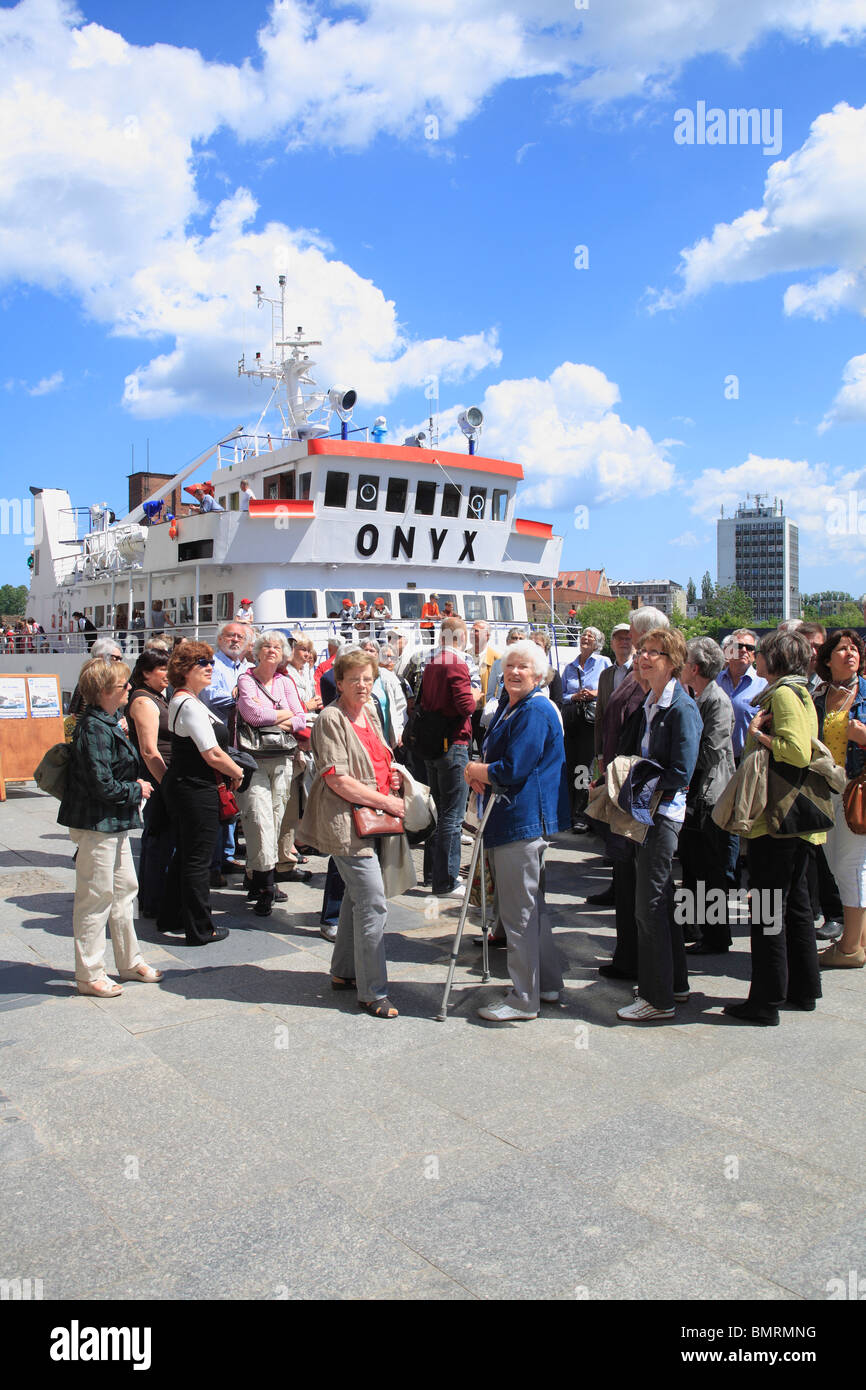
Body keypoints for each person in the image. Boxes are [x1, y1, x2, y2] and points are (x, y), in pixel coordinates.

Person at [300, 647, 410, 1017]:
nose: (362, 685)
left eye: (368, 678)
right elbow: (338, 779)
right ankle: (373, 992)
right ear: (340, 683)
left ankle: (344, 972)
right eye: (354, 679)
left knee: (355, 898)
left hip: (372, 816)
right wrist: (390, 804)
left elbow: (382, 757)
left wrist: (392, 776)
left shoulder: (371, 712)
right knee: (373, 901)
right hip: (345, 822)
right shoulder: (330, 718)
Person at [464, 641, 571, 1021]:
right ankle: (546, 985)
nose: (513, 672)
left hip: (519, 821)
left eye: (522, 666)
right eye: (509, 665)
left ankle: (524, 999)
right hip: (514, 818)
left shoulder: (535, 710)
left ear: (538, 674)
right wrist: (483, 773)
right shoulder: (516, 707)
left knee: (519, 913)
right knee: (531, 909)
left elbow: (512, 768)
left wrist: (477, 771)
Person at [723, 629, 824, 1025]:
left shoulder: (782, 693)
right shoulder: (799, 691)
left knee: (767, 911)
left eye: (761, 651)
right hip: (797, 818)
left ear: (775, 658)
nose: (755, 657)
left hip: (777, 820)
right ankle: (802, 989)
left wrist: (759, 735)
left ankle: (765, 1001)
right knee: (795, 906)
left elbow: (797, 752)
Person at [57, 658, 162, 997]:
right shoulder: (93, 728)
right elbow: (100, 783)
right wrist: (138, 789)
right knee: (95, 896)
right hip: (96, 823)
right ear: (104, 692)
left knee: (124, 890)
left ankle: (129, 961)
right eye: (123, 686)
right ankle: (89, 974)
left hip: (112, 821)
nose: (129, 689)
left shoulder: (108, 721)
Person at [615, 628, 701, 1022]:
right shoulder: (651, 699)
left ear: (673, 662)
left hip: (663, 815)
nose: (645, 658)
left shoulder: (681, 708)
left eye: (655, 653)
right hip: (646, 812)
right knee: (661, 901)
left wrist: (635, 778)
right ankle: (675, 985)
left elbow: (681, 772)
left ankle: (656, 998)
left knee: (649, 905)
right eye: (643, 651)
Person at [596, 607, 669, 975]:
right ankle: (628, 956)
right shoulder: (628, 677)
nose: (635, 650)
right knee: (627, 883)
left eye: (638, 642)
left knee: (640, 887)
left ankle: (637, 962)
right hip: (623, 792)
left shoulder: (657, 685)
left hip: (637, 797)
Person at [157, 642, 244, 946]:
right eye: (201, 663)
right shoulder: (190, 704)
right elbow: (212, 754)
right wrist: (238, 772)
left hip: (189, 786)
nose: (210, 667)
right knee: (197, 860)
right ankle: (200, 928)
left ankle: (170, 915)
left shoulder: (188, 700)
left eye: (210, 661)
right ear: (184, 670)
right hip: (195, 789)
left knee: (186, 855)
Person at [235, 632, 309, 916]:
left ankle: (254, 875)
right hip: (253, 760)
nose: (271, 650)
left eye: (277, 646)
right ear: (256, 651)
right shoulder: (246, 679)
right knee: (258, 820)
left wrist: (275, 713)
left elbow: (300, 716)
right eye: (266, 645)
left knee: (275, 818)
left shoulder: (285, 681)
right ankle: (267, 886)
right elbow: (252, 715)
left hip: (282, 759)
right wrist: (283, 714)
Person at [812, 629, 866, 968]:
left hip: (856, 791)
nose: (851, 654)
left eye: (855, 649)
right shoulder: (819, 695)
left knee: (852, 867)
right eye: (842, 649)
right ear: (828, 660)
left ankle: (848, 948)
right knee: (836, 865)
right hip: (824, 791)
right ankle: (860, 940)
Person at [679, 637, 736, 954]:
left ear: (695, 667)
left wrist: (681, 753)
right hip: (697, 794)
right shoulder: (700, 696)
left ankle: (715, 935)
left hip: (710, 796)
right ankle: (693, 926)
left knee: (710, 869)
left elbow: (712, 753)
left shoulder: (716, 701)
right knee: (693, 865)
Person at [416, 617, 477, 898]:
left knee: (438, 811)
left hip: (432, 743)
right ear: (461, 637)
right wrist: (476, 695)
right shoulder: (455, 663)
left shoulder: (432, 663)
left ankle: (433, 876)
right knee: (452, 816)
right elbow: (466, 706)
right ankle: (447, 881)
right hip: (453, 743)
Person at [585, 622, 635, 906]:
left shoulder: (639, 671)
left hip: (632, 757)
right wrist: (600, 754)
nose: (624, 642)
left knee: (626, 821)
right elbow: (601, 716)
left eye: (628, 637)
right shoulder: (606, 676)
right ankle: (617, 885)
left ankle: (625, 886)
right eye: (619, 638)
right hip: (611, 755)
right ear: (612, 644)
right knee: (611, 819)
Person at [200, 620, 253, 881]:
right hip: (216, 739)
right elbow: (211, 697)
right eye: (230, 635)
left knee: (232, 801)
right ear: (220, 639)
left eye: (239, 636)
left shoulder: (246, 667)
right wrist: (242, 696)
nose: (234, 640)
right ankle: (214, 862)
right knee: (218, 800)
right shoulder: (211, 664)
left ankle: (228, 856)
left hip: (241, 741)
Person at [127, 650, 174, 919]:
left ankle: (155, 897)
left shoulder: (157, 697)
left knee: (160, 839)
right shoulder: (144, 701)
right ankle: (153, 901)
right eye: (162, 669)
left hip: (161, 776)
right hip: (156, 779)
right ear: (146, 672)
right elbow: (149, 749)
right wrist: (167, 784)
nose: (167, 674)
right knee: (158, 839)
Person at [561, 626, 610, 832]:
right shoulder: (570, 666)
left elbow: (609, 690)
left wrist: (592, 693)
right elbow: (561, 694)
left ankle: (581, 814)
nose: (585, 638)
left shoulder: (603, 663)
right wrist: (574, 696)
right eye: (584, 635)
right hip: (572, 720)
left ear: (598, 643)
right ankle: (569, 811)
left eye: (591, 636)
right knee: (569, 765)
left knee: (584, 768)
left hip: (590, 723)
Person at [717, 630, 766, 761]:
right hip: (717, 758)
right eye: (738, 646)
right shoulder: (715, 682)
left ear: (754, 655)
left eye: (750, 648)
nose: (744, 650)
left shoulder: (764, 685)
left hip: (748, 759)